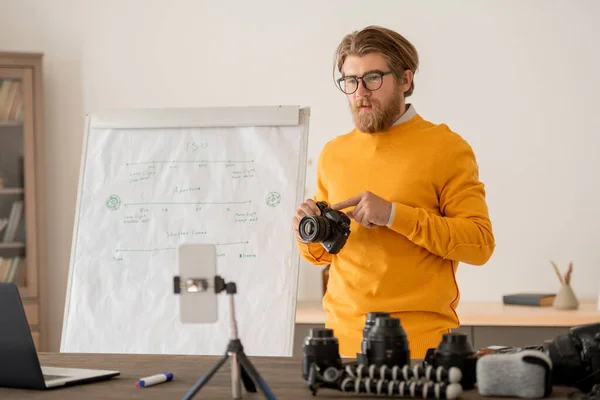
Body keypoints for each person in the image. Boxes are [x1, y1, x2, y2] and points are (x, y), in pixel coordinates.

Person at [292, 25, 495, 359]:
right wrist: (309, 232)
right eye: (350, 81)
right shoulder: (334, 153)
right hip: (341, 347)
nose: (360, 93)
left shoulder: (447, 148)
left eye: (373, 78)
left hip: (419, 348)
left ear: (405, 79)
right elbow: (325, 256)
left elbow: (479, 244)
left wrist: (394, 215)